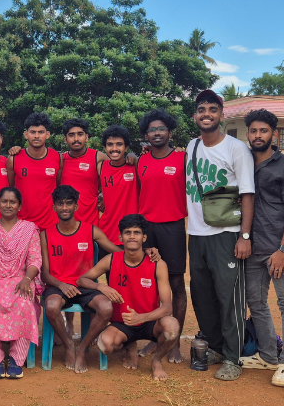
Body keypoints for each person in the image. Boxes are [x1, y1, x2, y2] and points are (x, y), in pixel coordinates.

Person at [185, 90, 255, 381]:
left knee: (230, 298)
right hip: (196, 233)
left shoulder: (236, 149)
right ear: (195, 116)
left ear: (221, 115)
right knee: (202, 296)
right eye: (202, 109)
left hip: (227, 233)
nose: (207, 114)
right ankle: (214, 346)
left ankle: (233, 356)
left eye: (213, 109)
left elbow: (248, 194)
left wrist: (245, 236)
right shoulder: (191, 146)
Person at [237, 109, 284, 388]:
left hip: (280, 249)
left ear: (274, 134)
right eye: (253, 131)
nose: (258, 135)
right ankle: (267, 355)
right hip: (252, 246)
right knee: (256, 302)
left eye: (263, 131)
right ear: (247, 133)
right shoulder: (243, 161)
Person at [79, 214, 178, 380]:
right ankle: (129, 346)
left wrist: (140, 317)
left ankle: (156, 361)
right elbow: (82, 279)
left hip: (150, 322)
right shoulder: (111, 260)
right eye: (127, 232)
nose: (132, 236)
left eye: (137, 232)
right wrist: (101, 286)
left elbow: (168, 307)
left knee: (172, 326)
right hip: (122, 323)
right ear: (120, 237)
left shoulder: (158, 264)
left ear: (144, 237)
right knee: (105, 345)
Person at [41, 185, 119, 374]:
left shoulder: (91, 231)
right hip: (59, 285)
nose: (65, 208)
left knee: (106, 307)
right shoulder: (45, 234)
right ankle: (69, 345)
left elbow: (118, 253)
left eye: (69, 204)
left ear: (76, 206)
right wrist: (61, 285)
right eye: (60, 204)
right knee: (51, 306)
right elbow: (45, 274)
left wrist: (145, 251)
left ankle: (82, 348)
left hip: (86, 285)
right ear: (54, 207)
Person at [134, 108, 188, 364]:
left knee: (176, 285)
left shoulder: (183, 158)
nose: (156, 133)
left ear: (170, 132)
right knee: (151, 286)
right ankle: (155, 339)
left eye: (161, 129)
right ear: (146, 134)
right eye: (152, 129)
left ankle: (173, 343)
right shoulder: (140, 161)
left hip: (173, 227)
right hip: (148, 229)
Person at [0, 187, 42, 379]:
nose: (8, 205)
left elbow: (35, 260)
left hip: (21, 278)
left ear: (19, 206)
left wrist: (27, 280)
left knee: (24, 303)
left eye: (13, 202)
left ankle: (16, 359)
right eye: (4, 201)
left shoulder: (30, 229)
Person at [7, 113, 63, 230]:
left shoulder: (57, 158)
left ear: (47, 135)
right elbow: (11, 188)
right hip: (21, 223)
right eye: (33, 132)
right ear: (26, 134)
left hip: (50, 223)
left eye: (41, 132)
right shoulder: (14, 159)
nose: (37, 136)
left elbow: (57, 186)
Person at [98, 125, 138, 255]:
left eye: (119, 144)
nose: (114, 148)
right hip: (106, 232)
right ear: (105, 147)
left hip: (130, 232)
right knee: (109, 274)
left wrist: (134, 156)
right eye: (110, 144)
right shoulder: (100, 167)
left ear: (126, 147)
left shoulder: (135, 166)